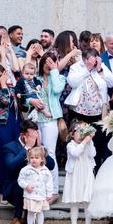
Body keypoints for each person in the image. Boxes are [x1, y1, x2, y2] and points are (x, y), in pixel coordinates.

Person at [66, 49, 113, 169]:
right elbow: (72, 82)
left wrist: (99, 69)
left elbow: (112, 82)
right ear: (84, 59)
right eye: (91, 59)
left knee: (97, 145)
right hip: (79, 113)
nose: (94, 61)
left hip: (98, 114)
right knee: (79, 142)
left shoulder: (100, 67)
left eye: (96, 58)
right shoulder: (76, 67)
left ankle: (96, 173)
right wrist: (87, 69)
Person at [1, 120, 55, 224]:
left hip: (35, 189)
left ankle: (28, 214)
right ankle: (17, 217)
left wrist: (41, 148)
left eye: (36, 134)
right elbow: (10, 165)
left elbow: (51, 165)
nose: (34, 138)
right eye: (31, 135)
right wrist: (26, 148)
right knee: (21, 182)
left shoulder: (37, 147)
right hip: (14, 188)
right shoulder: (10, 147)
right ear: (23, 135)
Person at [33, 52, 66, 198]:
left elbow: (58, 90)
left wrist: (54, 70)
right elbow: (28, 96)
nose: (48, 65)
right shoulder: (36, 79)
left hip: (50, 120)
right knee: (35, 154)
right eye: (46, 62)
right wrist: (31, 102)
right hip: (35, 120)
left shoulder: (59, 78)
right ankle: (40, 187)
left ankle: (53, 191)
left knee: (49, 153)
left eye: (51, 62)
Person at [0, 64, 21, 203]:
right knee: (5, 158)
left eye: (3, 73)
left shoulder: (13, 89)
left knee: (18, 155)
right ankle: (4, 191)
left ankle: (16, 190)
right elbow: (5, 102)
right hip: (4, 126)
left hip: (17, 124)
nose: (3, 76)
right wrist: (2, 85)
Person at [63, 120, 96, 224]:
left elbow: (93, 154)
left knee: (87, 200)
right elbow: (75, 153)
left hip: (86, 173)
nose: (82, 136)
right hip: (75, 174)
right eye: (79, 132)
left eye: (84, 133)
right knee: (74, 200)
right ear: (72, 134)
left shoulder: (87, 144)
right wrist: (84, 142)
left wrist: (90, 142)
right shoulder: (70, 145)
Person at [17, 146, 55, 224]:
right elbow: (20, 180)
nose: (34, 160)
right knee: (30, 211)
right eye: (32, 157)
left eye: (37, 158)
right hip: (30, 195)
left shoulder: (46, 171)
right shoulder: (26, 169)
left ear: (42, 159)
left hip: (41, 195)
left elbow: (49, 183)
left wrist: (50, 193)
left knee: (40, 212)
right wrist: (26, 186)